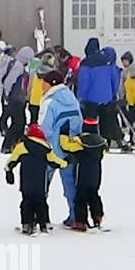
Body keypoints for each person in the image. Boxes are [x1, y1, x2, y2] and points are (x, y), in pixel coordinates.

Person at [39, 68, 84, 226]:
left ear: (51, 83)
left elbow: (44, 128)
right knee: (71, 184)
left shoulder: (49, 102)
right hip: (69, 149)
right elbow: (79, 123)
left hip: (51, 150)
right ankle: (75, 216)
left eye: (44, 82)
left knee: (42, 183)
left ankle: (40, 217)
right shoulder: (72, 100)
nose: (41, 84)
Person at [4, 122, 66, 235]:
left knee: (26, 202)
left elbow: (11, 161)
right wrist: (66, 163)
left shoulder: (22, 146)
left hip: (26, 182)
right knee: (41, 202)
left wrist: (8, 172)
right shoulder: (46, 148)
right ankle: (43, 224)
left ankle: (27, 224)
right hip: (40, 182)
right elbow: (55, 162)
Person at [67, 117, 108, 231]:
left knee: (81, 198)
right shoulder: (101, 142)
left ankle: (80, 221)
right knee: (94, 196)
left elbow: (69, 147)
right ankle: (97, 217)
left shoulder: (80, 142)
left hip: (82, 175)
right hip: (96, 175)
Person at [0, 46, 35, 154]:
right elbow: (9, 81)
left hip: (19, 98)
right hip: (15, 98)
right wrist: (6, 94)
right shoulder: (18, 66)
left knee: (21, 121)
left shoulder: (18, 65)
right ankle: (7, 145)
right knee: (18, 122)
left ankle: (18, 143)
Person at [0, 40, 15, 133]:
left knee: (5, 107)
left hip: (1, 86)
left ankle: (3, 126)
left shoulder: (1, 59)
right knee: (8, 109)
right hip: (6, 87)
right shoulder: (10, 61)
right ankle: (3, 125)